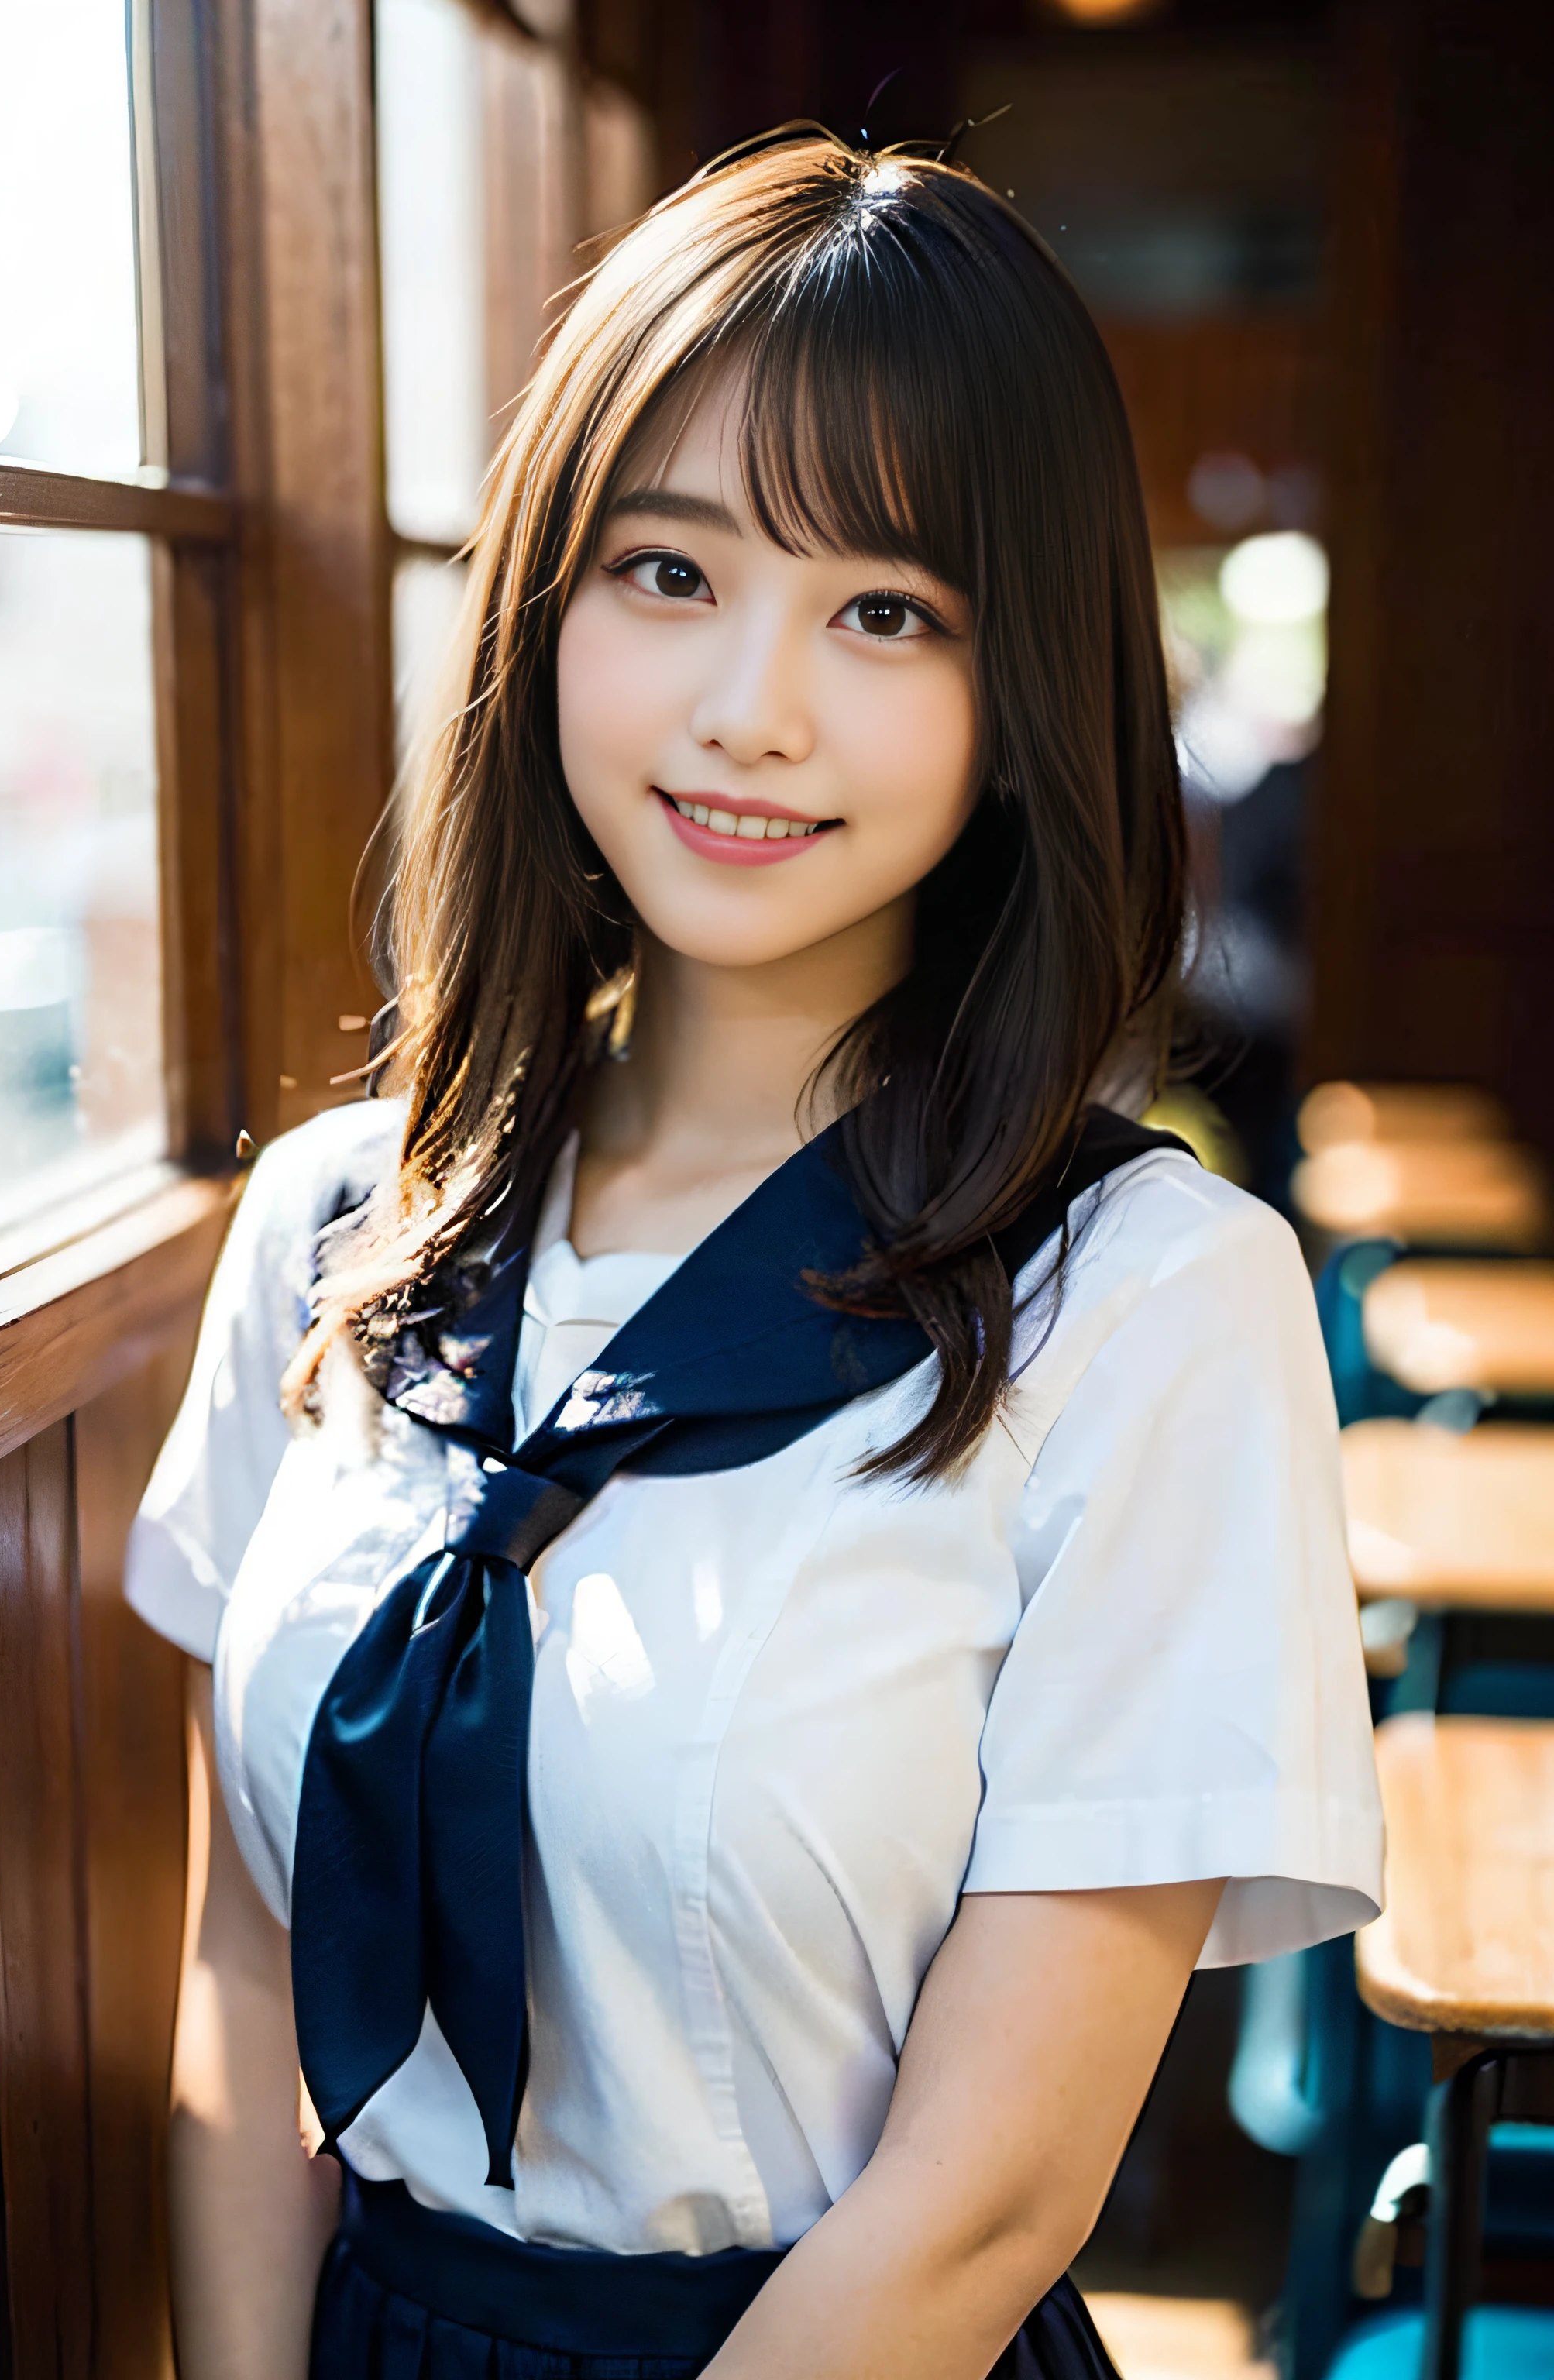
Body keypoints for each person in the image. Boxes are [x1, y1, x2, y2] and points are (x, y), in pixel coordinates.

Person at [125, 129, 1383, 2380]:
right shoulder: (336, 1224)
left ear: (1023, 704)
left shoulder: (1154, 1304)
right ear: (543, 604)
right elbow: (241, 1948)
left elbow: (986, 2198)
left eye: (886, 611)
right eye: (670, 573)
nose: (751, 709)